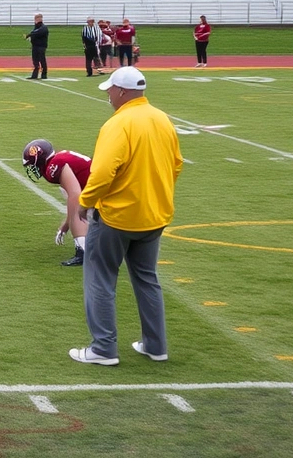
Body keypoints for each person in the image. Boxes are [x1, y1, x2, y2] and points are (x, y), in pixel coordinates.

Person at [69, 66, 183, 366]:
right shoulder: (162, 118)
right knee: (147, 278)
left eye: (110, 90)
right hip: (154, 215)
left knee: (100, 278)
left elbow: (104, 171)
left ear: (122, 91)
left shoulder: (118, 124)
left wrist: (86, 201)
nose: (108, 95)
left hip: (117, 216)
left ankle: (104, 348)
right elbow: (177, 164)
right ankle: (155, 345)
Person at [22, 139, 92, 266]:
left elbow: (75, 195)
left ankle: (83, 251)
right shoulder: (58, 159)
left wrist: (71, 224)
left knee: (77, 203)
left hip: (104, 189)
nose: (33, 168)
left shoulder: (53, 166)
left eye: (32, 164)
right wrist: (66, 225)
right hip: (100, 186)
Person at [24, 13, 48, 80]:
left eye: (36, 18)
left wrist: (29, 35)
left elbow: (37, 33)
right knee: (35, 61)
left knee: (42, 60)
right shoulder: (36, 28)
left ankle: (44, 75)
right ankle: (34, 75)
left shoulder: (43, 28)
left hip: (41, 47)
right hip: (35, 47)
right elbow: (34, 34)